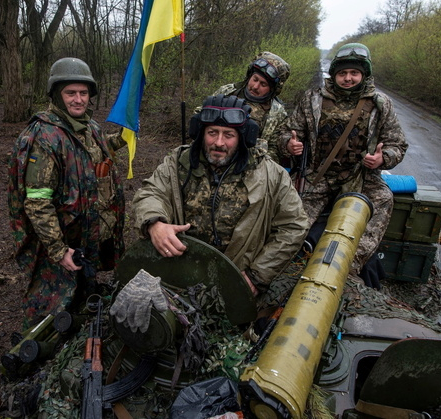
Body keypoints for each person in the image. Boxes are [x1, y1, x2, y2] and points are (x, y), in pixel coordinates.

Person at [132, 94, 309, 305]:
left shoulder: (271, 175)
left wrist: (258, 275)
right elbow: (151, 192)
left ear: (243, 137)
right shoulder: (178, 164)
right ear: (200, 133)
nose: (219, 143)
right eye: (212, 133)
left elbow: (294, 225)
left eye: (228, 135)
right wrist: (155, 223)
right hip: (179, 275)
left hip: (237, 282)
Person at [8, 57, 126, 329]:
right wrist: (58, 249)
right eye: (70, 93)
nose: (78, 99)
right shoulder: (45, 136)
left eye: (83, 93)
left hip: (86, 232)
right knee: (53, 303)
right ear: (57, 96)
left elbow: (92, 151)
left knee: (84, 287)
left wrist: (120, 139)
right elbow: (37, 202)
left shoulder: (88, 126)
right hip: (62, 238)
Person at [279, 43, 408, 285]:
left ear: (363, 75)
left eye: (354, 73)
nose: (348, 78)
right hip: (318, 176)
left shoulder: (380, 104)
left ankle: (350, 265)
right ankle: (287, 265)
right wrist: (289, 144)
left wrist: (383, 158)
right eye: (342, 73)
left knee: (383, 199)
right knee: (293, 221)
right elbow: (288, 132)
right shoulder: (313, 99)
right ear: (334, 74)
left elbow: (397, 145)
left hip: (361, 177)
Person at [211, 51, 291, 163]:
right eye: (255, 79)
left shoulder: (277, 114)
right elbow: (202, 117)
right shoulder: (227, 92)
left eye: (263, 84)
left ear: (273, 89)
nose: (255, 86)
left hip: (248, 165)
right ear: (249, 75)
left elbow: (274, 151)